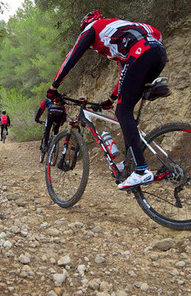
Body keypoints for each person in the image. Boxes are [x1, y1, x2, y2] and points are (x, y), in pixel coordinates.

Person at [46, 10, 167, 190]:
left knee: (123, 111)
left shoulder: (92, 28)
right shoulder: (118, 32)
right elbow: (125, 73)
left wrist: (54, 86)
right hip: (157, 52)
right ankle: (130, 163)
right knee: (126, 111)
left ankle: (141, 170)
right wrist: (111, 98)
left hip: (141, 52)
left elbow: (72, 57)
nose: (94, 49)